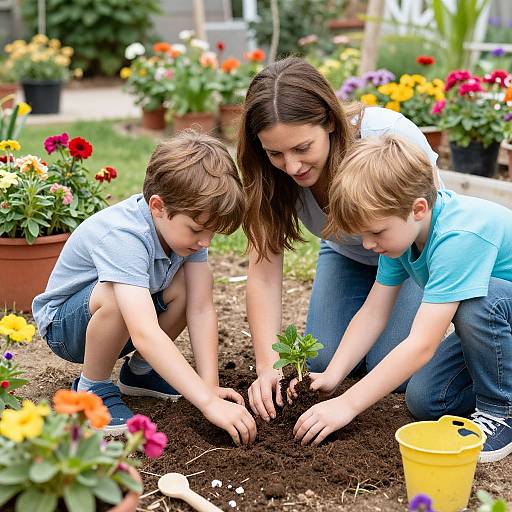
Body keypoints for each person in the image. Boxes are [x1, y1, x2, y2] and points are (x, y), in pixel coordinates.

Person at [238, 57, 441, 422]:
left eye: (302, 148)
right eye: (275, 154)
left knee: (389, 367)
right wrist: (267, 365)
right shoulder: (269, 177)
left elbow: (432, 228)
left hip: (413, 260)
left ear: (330, 121)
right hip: (347, 255)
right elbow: (264, 274)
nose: (292, 166)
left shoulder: (389, 137)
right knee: (322, 362)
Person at [292, 134, 512, 463]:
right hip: (501, 329)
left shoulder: (458, 237)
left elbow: (422, 343)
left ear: (418, 209)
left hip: (496, 310)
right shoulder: (402, 236)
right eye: (363, 233)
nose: (368, 244)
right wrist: (333, 375)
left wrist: (348, 404)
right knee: (427, 400)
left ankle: (501, 411)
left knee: (480, 301)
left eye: (376, 233)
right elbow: (373, 313)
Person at [32, 130, 257, 446]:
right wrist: (208, 406)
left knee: (193, 285)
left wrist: (209, 387)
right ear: (158, 206)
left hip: (121, 323)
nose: (206, 241)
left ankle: (141, 372)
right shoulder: (125, 237)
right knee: (116, 296)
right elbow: (144, 332)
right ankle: (92, 387)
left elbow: (201, 307)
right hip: (67, 328)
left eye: (212, 232)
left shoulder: (187, 233)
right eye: (197, 230)